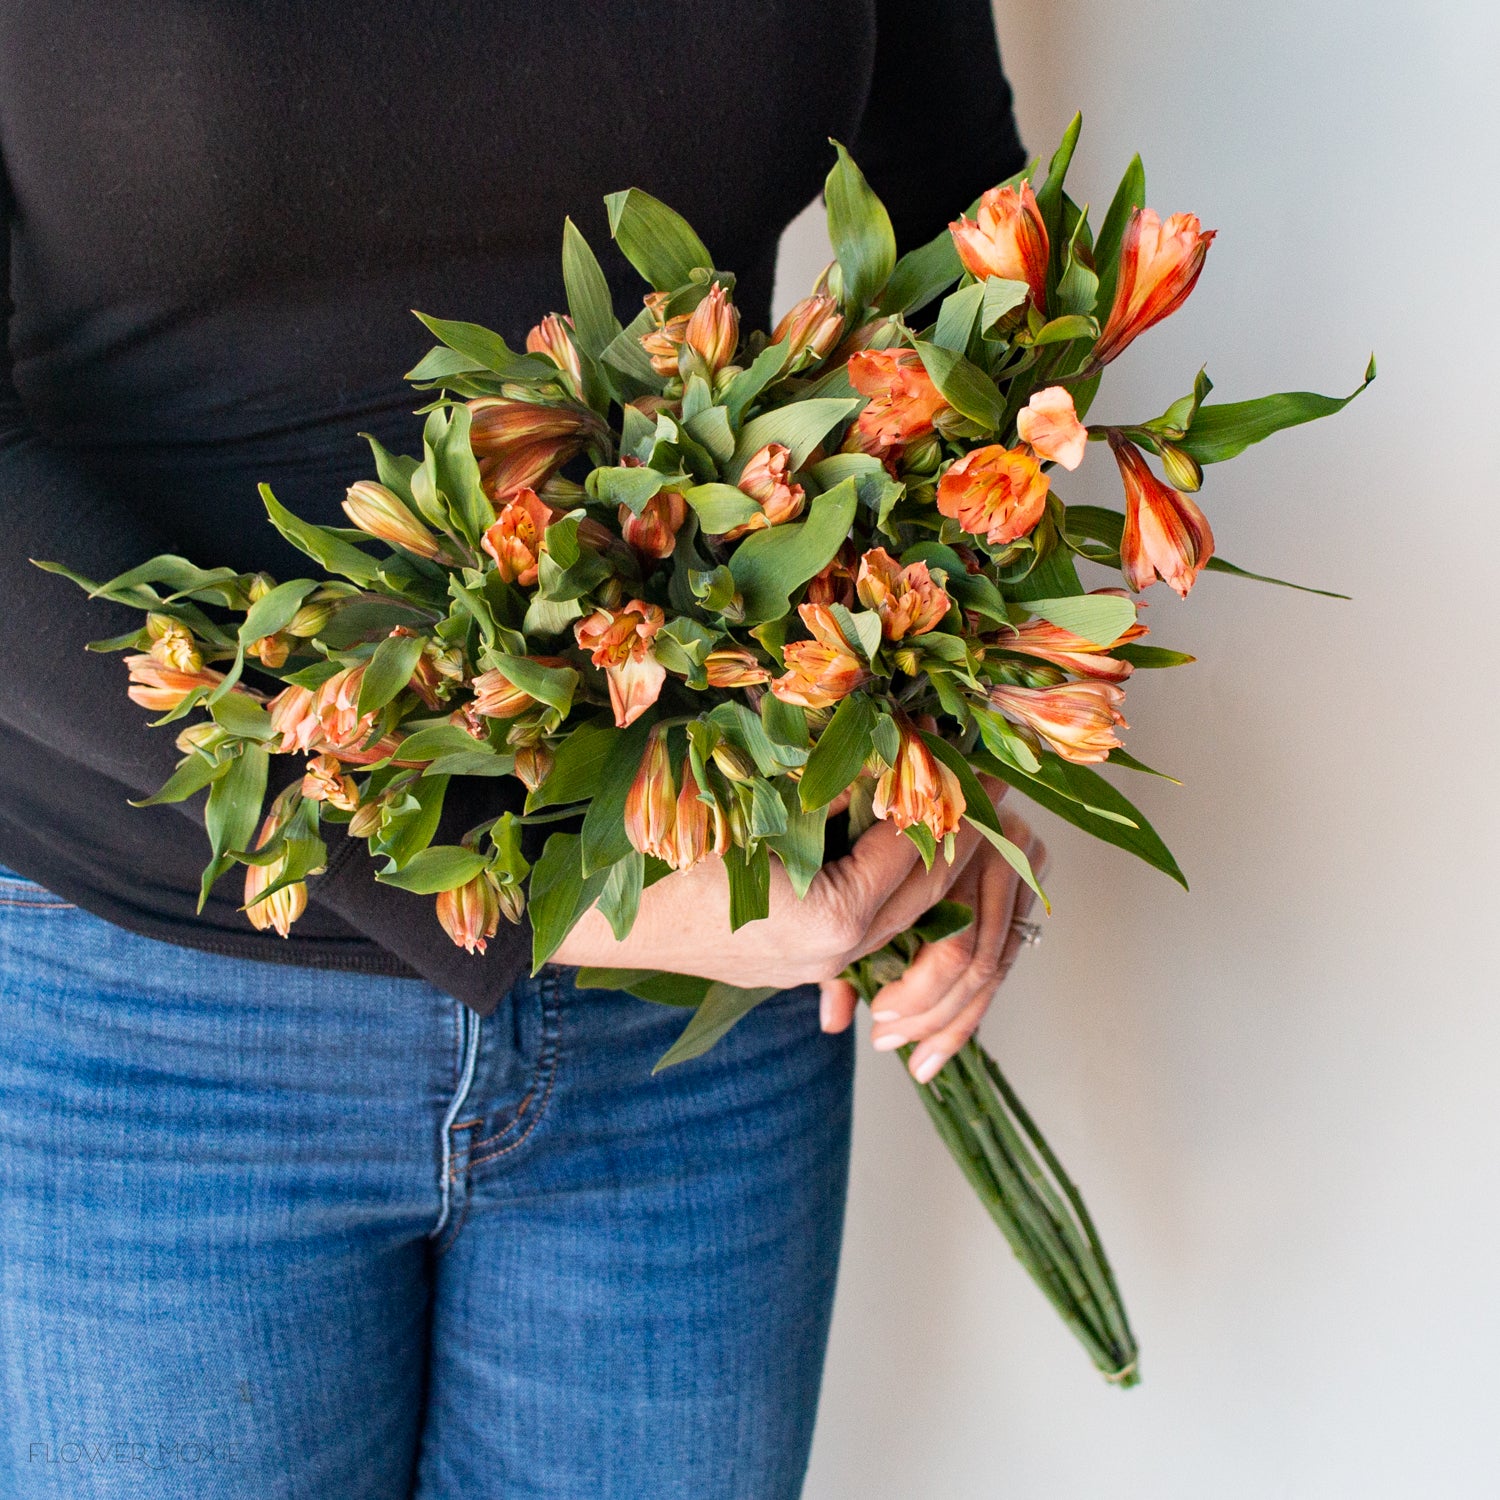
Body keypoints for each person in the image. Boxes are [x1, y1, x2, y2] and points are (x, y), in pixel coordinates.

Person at [0, 2, 1043, 1494]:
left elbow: (967, 226)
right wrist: (539, 867)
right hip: (155, 1012)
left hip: (702, 995)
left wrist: (949, 725)